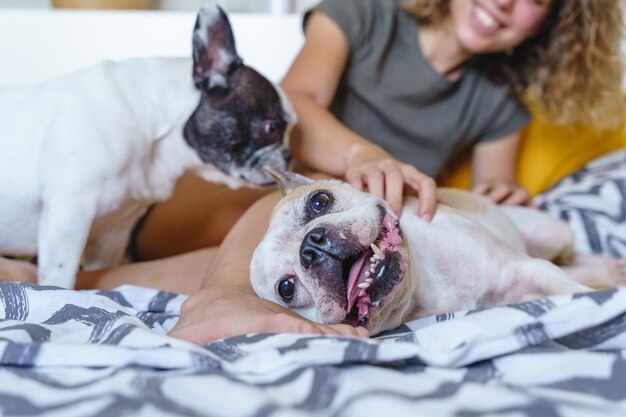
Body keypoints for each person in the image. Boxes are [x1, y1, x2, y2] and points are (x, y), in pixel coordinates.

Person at [1, 0, 624, 343]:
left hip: (328, 252)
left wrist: (502, 194)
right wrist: (361, 157)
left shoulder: (500, 106)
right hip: (263, 201)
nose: (504, 2)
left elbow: (480, 199)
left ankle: (81, 277)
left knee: (296, 253)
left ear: (557, 22)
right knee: (279, 207)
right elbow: (298, 103)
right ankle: (217, 301)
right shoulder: (365, 15)